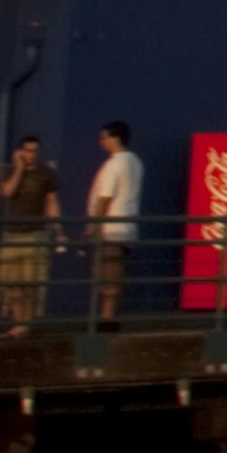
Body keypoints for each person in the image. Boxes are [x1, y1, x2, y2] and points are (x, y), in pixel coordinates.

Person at [84, 121, 147, 319]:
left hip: (111, 229)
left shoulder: (115, 164)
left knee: (107, 274)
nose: (101, 142)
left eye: (104, 137)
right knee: (115, 273)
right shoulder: (135, 162)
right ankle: (107, 316)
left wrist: (93, 225)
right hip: (127, 228)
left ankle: (106, 318)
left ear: (116, 138)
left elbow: (105, 197)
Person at [0, 138, 58, 326]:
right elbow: (7, 192)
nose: (32, 155)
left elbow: (52, 202)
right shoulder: (11, 172)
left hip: (34, 233)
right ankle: (17, 320)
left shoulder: (46, 174)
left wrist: (57, 227)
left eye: (35, 151)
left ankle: (25, 324)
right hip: (12, 233)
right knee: (11, 283)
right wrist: (19, 168)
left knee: (30, 284)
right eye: (28, 151)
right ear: (20, 152)